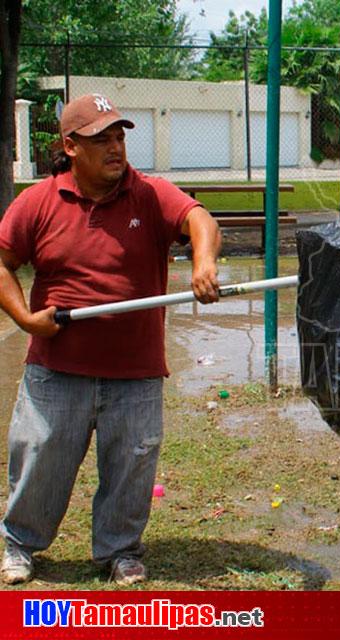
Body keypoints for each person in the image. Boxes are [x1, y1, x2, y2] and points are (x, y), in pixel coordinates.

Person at [0, 93, 222, 586]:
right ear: (71, 146)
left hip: (136, 371)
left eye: (119, 136)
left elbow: (198, 219)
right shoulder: (39, 201)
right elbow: (2, 262)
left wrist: (204, 262)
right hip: (56, 370)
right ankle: (20, 545)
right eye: (102, 139)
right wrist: (26, 319)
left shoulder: (148, 192)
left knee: (132, 467)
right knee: (40, 459)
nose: (115, 147)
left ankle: (120, 550)